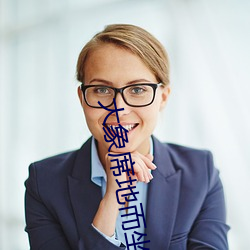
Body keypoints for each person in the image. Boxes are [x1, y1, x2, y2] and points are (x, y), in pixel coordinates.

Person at [24, 24, 230, 250]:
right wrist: (111, 201)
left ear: (163, 97)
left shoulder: (201, 173)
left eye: (138, 89)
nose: (118, 109)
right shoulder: (44, 182)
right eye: (102, 90)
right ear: (82, 98)